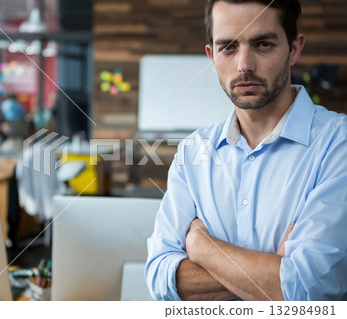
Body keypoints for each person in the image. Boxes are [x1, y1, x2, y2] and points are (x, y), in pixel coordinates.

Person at [145, 0, 347, 301]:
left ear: (294, 49)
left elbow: (308, 290)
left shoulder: (338, 144)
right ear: (212, 56)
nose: (244, 65)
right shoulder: (193, 152)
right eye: (228, 47)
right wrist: (274, 269)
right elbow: (161, 279)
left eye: (263, 44)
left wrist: (204, 248)